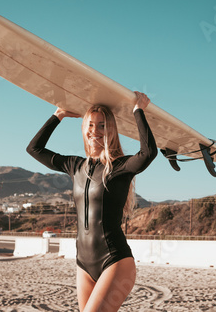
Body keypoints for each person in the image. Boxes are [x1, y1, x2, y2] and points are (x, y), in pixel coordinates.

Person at [27, 92, 157, 311]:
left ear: (111, 130)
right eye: (90, 125)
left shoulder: (120, 167)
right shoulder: (75, 166)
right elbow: (34, 149)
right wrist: (58, 115)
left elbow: (148, 153)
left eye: (102, 125)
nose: (94, 131)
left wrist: (138, 110)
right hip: (83, 264)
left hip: (115, 262)